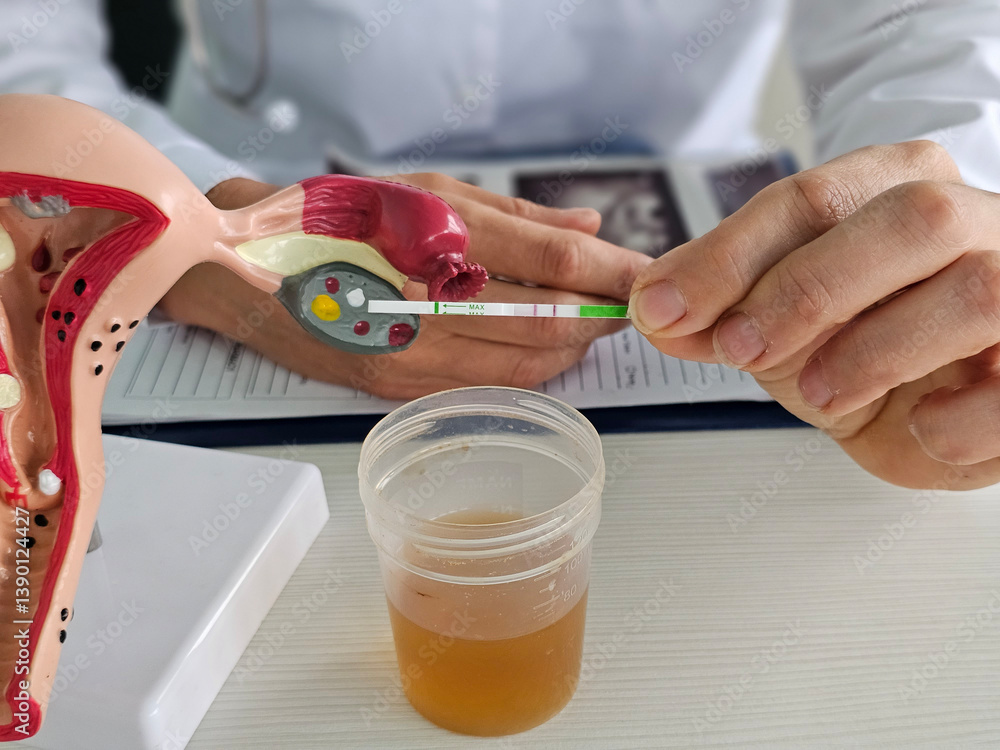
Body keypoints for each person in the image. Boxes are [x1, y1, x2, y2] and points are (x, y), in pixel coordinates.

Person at [3, 1, 1000, 488]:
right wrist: (207, 233)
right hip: (237, 185)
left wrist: (926, 234)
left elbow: (930, 24)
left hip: (722, 232)